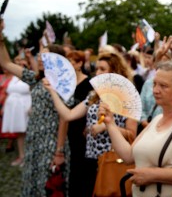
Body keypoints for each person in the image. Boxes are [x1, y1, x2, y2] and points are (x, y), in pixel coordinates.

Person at [43, 52, 137, 197]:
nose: (97, 72)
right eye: (97, 68)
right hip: (90, 157)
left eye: (102, 69)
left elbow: (132, 134)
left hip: (112, 159)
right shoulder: (94, 94)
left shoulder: (127, 97)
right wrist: (52, 91)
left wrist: (106, 126)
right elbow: (68, 115)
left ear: (115, 71)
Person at [98, 60, 172, 197]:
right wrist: (110, 123)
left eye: (163, 86)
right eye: (154, 84)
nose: (155, 90)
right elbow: (128, 155)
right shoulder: (156, 120)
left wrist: (153, 175)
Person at [1, 19, 72, 196]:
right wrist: (1, 37)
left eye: (45, 56)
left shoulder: (63, 84)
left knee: (47, 185)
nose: (40, 58)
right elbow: (6, 64)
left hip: (51, 140)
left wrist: (59, 151)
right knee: (32, 182)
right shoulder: (36, 78)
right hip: (34, 137)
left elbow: (65, 118)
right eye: (40, 55)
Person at [65, 50, 94, 197]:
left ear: (79, 64)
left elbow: (90, 108)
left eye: (71, 61)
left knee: (79, 167)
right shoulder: (66, 83)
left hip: (81, 131)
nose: (68, 64)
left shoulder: (88, 84)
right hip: (67, 128)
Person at [1, 55, 31, 167]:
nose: (19, 63)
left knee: (27, 132)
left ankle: (28, 157)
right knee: (19, 133)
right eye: (16, 61)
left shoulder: (31, 76)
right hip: (13, 108)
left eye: (21, 61)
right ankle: (21, 155)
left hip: (25, 105)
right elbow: (9, 92)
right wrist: (4, 107)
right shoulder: (14, 77)